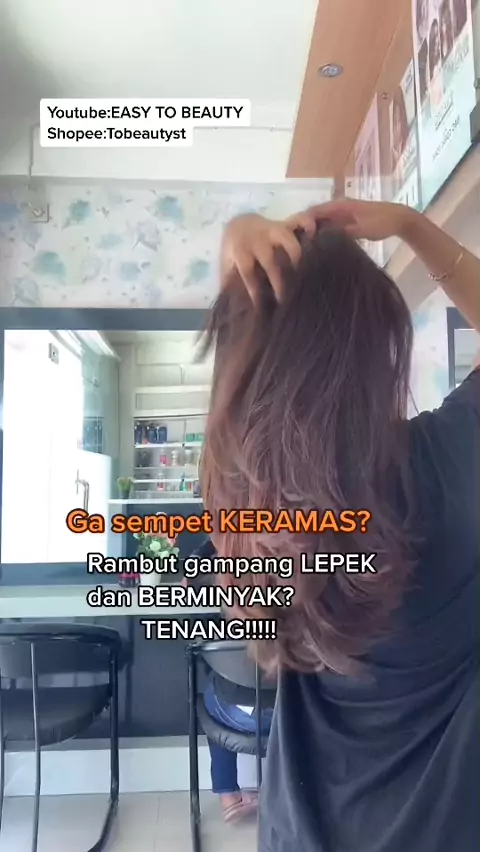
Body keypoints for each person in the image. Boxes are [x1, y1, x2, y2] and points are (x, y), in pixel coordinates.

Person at [199, 199, 480, 852]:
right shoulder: (448, 463)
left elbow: (241, 369)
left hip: (301, 828)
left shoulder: (237, 496)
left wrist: (238, 246)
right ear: (376, 347)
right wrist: (414, 227)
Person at [186, 537, 274, 823]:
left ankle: (228, 794)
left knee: (216, 690)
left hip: (241, 715)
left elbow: (191, 576)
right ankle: (290, 793)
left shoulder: (215, 581)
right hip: (298, 716)